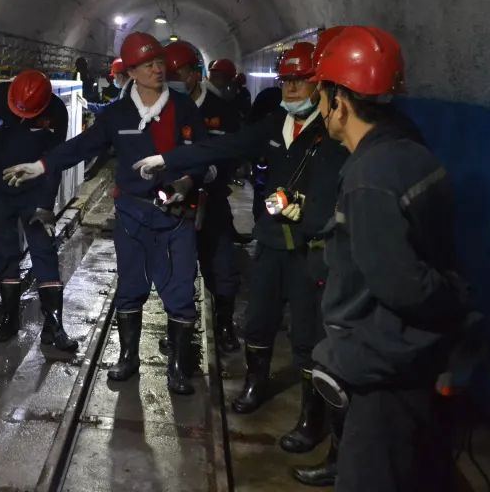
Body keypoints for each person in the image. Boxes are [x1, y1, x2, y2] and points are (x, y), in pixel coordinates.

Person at [132, 42, 348, 453]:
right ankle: (255, 383)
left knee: (307, 334)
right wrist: (168, 160)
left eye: (300, 81)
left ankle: (311, 417)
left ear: (320, 85)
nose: (291, 89)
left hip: (310, 249)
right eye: (286, 80)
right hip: (270, 242)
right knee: (260, 319)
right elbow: (225, 146)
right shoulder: (274, 124)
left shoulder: (334, 133)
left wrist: (308, 212)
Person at [301, 26, 465, 492]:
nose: (319, 107)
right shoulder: (410, 154)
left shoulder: (369, 179)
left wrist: (454, 298)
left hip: (386, 371)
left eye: (320, 95)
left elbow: (401, 284)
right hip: (414, 360)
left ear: (339, 102)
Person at [3, 32, 209, 395]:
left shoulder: (183, 108)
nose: (157, 69)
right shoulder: (117, 114)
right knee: (130, 286)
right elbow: (83, 146)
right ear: (131, 71)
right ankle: (128, 357)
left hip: (175, 215)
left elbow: (202, 154)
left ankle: (177, 367)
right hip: (133, 213)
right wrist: (40, 166)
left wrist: (187, 182)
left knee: (179, 289)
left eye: (159, 62)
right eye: (148, 65)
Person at [0, 69, 77, 355]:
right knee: (6, 250)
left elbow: (55, 160)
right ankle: (10, 316)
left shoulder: (56, 111)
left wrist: (46, 205)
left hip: (34, 190)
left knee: (43, 249)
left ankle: (54, 324)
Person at [163, 41, 243, 352]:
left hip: (212, 198)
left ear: (196, 74)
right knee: (176, 268)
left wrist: (214, 173)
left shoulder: (221, 110)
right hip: (176, 201)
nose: (175, 80)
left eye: (180, 73)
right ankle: (179, 328)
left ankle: (224, 324)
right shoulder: (165, 109)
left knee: (221, 263)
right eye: (169, 75)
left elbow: (234, 150)